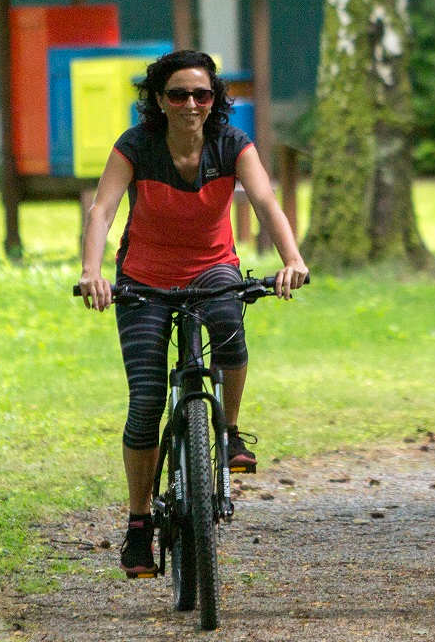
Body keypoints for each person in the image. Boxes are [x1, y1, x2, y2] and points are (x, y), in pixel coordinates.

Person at [76, 50, 310, 577]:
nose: (190, 105)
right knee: (146, 400)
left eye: (201, 95)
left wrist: (291, 260)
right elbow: (103, 209)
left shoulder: (232, 144)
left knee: (229, 321)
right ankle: (138, 525)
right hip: (144, 279)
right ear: (158, 100)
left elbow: (267, 203)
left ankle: (227, 433)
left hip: (212, 268)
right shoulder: (136, 146)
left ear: (214, 100)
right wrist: (94, 270)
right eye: (178, 94)